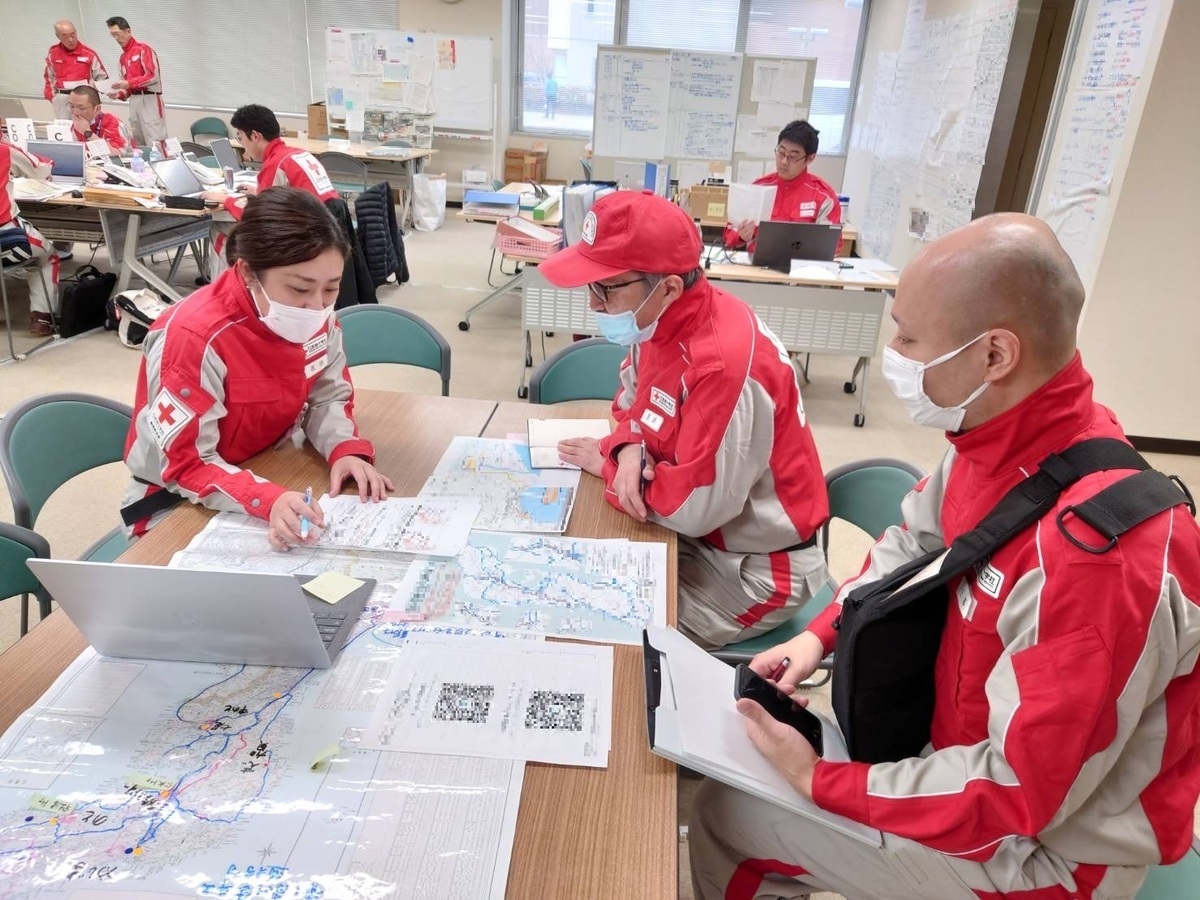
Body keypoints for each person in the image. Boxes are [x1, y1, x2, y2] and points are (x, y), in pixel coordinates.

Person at [690, 213, 1200, 900]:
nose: (893, 351)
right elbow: (912, 544)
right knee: (753, 753)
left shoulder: (1099, 560)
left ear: (994, 356)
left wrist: (823, 782)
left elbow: (1017, 793)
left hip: (1050, 854)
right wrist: (819, 637)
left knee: (731, 815)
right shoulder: (1005, 443)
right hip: (962, 758)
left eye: (908, 336)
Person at [543, 192, 829, 650]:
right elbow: (630, 402)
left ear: (669, 287)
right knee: (564, 575)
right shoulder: (657, 321)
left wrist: (609, 468)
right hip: (699, 536)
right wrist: (627, 448)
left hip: (753, 569)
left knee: (593, 634)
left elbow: (693, 511)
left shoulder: (722, 365)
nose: (594, 305)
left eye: (606, 288)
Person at [121, 187, 392, 547]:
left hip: (265, 467)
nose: (316, 307)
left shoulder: (317, 319)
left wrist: (345, 448)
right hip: (178, 500)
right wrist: (267, 499)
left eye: (331, 289)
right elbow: (185, 466)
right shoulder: (194, 337)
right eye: (299, 289)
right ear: (249, 273)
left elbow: (328, 397)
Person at [201, 104, 339, 281]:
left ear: (255, 136)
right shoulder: (297, 154)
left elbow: (261, 218)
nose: (242, 145)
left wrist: (226, 200)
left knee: (219, 228)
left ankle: (223, 289)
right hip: (325, 228)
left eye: (241, 137)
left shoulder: (275, 164)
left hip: (302, 236)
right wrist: (258, 192)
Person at [724, 120, 842, 253]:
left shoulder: (824, 196)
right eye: (781, 153)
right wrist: (741, 236)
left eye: (793, 157)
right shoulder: (759, 188)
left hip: (801, 269)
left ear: (810, 159)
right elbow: (729, 234)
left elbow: (831, 246)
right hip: (757, 269)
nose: (784, 162)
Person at [0, 139, 60, 336]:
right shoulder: (4, 150)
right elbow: (40, 169)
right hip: (6, 235)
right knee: (48, 256)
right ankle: (43, 317)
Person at [105, 16, 166, 147]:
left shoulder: (144, 49)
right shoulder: (122, 58)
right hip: (134, 100)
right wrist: (119, 94)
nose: (116, 38)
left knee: (155, 140)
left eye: (117, 34)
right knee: (138, 141)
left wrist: (129, 83)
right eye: (112, 35)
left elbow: (152, 76)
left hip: (149, 99)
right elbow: (126, 86)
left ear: (128, 31)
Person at [43, 20, 108, 122]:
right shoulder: (53, 53)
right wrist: (54, 98)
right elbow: (49, 77)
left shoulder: (89, 53)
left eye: (73, 35)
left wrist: (92, 95)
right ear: (58, 36)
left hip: (85, 100)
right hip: (62, 99)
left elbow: (102, 78)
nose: (71, 39)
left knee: (88, 130)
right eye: (65, 36)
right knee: (66, 131)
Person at [67, 85, 131, 153]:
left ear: (97, 109)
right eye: (72, 106)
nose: (75, 113)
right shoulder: (76, 124)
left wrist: (88, 133)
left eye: (82, 108)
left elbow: (117, 153)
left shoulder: (112, 122)